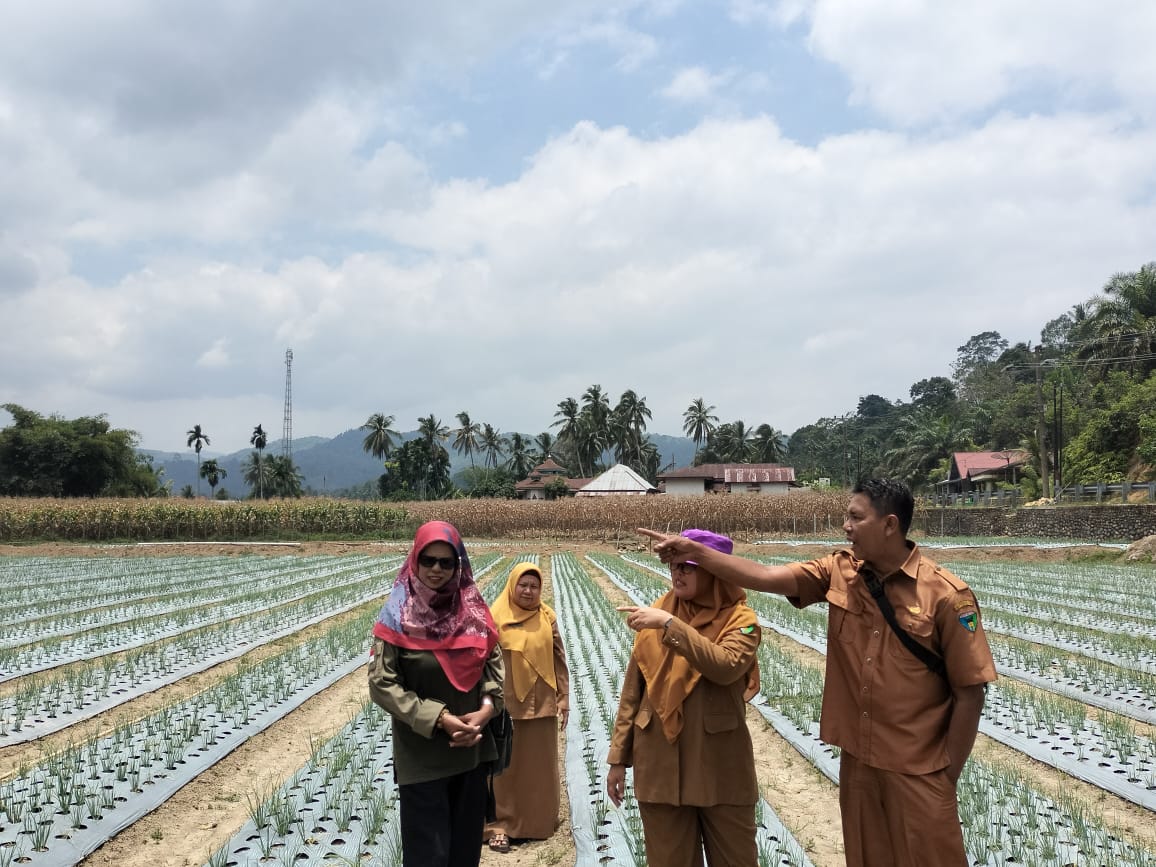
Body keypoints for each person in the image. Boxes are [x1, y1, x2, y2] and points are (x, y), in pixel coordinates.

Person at [639, 479, 997, 867]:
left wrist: (946, 775)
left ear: (890, 525)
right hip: (859, 762)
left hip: (919, 766)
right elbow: (764, 576)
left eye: (855, 517)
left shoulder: (946, 596)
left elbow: (970, 692)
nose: (846, 525)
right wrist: (697, 553)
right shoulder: (838, 571)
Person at [607, 528, 762, 867]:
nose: (677, 573)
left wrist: (670, 626)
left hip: (720, 769)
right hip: (659, 766)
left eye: (688, 566)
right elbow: (633, 692)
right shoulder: (657, 614)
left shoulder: (742, 621)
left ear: (716, 570)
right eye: (675, 565)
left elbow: (725, 666)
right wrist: (618, 758)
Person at [368, 520, 504, 867]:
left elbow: (493, 668)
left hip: (471, 754)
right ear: (415, 560)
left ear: (459, 564)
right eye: (428, 560)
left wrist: (487, 709)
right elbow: (382, 683)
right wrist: (439, 718)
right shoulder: (397, 616)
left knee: (464, 853)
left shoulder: (473, 612)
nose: (437, 569)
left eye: (447, 562)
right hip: (422, 756)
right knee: (429, 856)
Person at [483, 562, 570, 853]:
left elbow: (559, 657)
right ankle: (500, 826)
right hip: (505, 703)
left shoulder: (547, 617)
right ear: (512, 585)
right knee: (504, 768)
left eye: (534, 586)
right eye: (523, 585)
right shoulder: (495, 617)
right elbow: (481, 662)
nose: (528, 591)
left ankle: (537, 823)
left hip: (542, 701)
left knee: (539, 766)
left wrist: (564, 696)